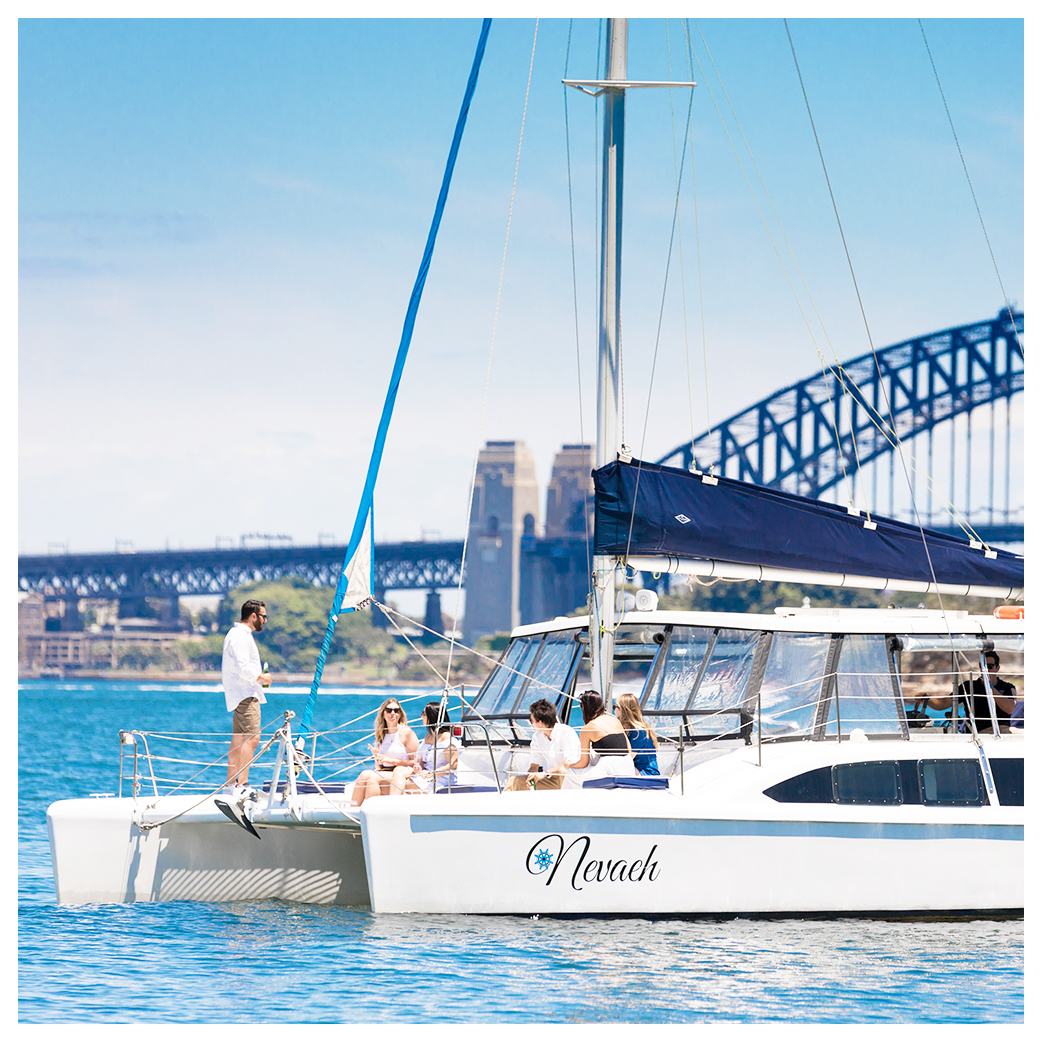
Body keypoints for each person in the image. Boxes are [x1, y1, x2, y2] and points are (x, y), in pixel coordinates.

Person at [221, 599, 272, 790]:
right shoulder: (240, 636)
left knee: (239, 738)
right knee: (253, 737)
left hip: (240, 693)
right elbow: (243, 668)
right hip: (246, 694)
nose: (265, 621)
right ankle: (242, 783)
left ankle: (230, 783)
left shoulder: (237, 634)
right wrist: (262, 677)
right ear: (253, 616)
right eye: (263, 617)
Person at [350, 698, 419, 807]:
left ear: (400, 714)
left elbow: (417, 761)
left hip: (404, 772)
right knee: (363, 775)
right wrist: (377, 758)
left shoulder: (407, 733)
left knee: (373, 778)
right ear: (383, 714)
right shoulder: (381, 734)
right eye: (389, 710)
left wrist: (394, 761)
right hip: (387, 770)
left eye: (397, 711)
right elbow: (380, 767)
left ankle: (374, 812)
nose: (393, 713)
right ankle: (353, 810)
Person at [926, 652, 1018, 733]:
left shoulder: (1007, 687)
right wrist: (926, 699)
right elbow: (943, 704)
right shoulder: (969, 687)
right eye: (982, 666)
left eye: (989, 667)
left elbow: (1010, 709)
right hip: (978, 732)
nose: (985, 670)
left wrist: (990, 688)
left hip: (1002, 730)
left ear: (997, 668)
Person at [505, 698, 580, 791]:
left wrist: (545, 773)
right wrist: (531, 777)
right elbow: (534, 766)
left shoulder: (567, 732)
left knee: (563, 771)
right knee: (514, 781)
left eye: (531, 720)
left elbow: (568, 764)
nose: (531, 724)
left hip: (569, 778)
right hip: (552, 780)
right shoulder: (537, 737)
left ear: (541, 722)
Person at [568, 690, 635, 778]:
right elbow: (628, 749)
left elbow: (583, 763)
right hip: (628, 766)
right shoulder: (615, 720)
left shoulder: (587, 728)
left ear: (584, 708)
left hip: (608, 768)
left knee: (570, 773)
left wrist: (569, 765)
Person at [405, 702, 459, 793]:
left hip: (441, 779)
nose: (421, 716)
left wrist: (432, 773)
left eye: (424, 714)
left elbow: (453, 765)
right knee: (395, 775)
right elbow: (424, 761)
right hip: (425, 775)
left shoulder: (447, 738)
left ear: (432, 717)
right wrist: (419, 767)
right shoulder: (428, 736)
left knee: (401, 784)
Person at [615, 692, 660, 775]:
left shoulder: (640, 732)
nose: (614, 710)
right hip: (633, 768)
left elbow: (627, 758)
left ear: (624, 710)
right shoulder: (626, 729)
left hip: (646, 773)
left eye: (616, 707)